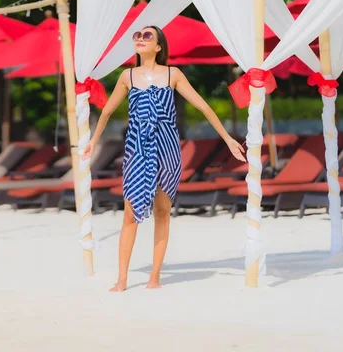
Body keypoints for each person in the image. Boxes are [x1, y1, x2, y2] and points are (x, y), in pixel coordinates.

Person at [81, 26, 246, 292]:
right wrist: (93, 141)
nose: (140, 39)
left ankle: (154, 277)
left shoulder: (173, 74)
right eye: (137, 36)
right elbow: (107, 112)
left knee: (162, 212)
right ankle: (122, 279)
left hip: (167, 147)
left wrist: (228, 139)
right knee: (130, 213)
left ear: (158, 46)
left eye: (147, 36)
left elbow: (203, 106)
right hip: (137, 147)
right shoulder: (127, 76)